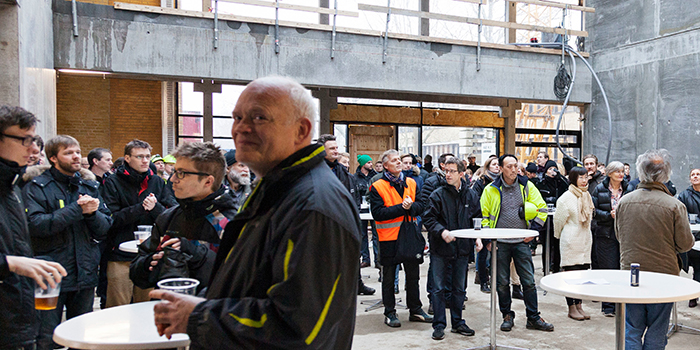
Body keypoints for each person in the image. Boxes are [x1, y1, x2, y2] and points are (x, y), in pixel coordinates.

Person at [149, 76, 361, 349]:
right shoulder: (278, 189)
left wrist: (200, 315)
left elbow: (298, 328)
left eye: (259, 118)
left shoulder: (313, 206)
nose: (241, 128)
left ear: (301, 130)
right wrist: (206, 301)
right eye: (237, 117)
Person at [22, 135, 113, 350]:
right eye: (68, 153)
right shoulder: (37, 186)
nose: (75, 157)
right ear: (53, 158)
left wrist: (92, 215)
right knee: (46, 338)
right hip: (50, 274)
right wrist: (77, 210)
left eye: (78, 152)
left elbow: (105, 227)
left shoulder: (89, 186)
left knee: (81, 338)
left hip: (85, 272)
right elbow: (36, 225)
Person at [0, 106, 67, 350]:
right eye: (24, 139)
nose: (34, 148)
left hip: (17, 318)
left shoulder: (12, 187)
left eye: (35, 139)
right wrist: (10, 264)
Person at [130, 142, 237, 293]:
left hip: (212, 312)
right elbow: (137, 273)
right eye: (174, 172)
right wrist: (150, 263)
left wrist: (196, 255)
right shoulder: (168, 217)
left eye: (181, 173)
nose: (173, 179)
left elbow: (238, 279)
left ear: (208, 181)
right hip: (167, 309)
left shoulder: (228, 222)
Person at [616, 149, 694, 350]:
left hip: (631, 273)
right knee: (658, 329)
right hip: (664, 274)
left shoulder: (624, 202)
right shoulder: (674, 205)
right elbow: (685, 244)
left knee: (632, 328)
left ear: (640, 172)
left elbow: (620, 236)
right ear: (666, 174)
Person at [480, 154, 553, 332]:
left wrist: (533, 230)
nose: (514, 170)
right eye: (510, 166)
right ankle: (507, 315)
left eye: (516, 166)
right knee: (502, 283)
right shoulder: (491, 189)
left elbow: (542, 208)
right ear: (502, 169)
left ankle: (533, 317)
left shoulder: (527, 185)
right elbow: (484, 216)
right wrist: (488, 239)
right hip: (500, 243)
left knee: (528, 281)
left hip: (521, 242)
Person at [102, 139, 177, 307]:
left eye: (147, 156)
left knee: (145, 305)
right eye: (139, 156)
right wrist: (141, 209)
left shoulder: (157, 181)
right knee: (117, 306)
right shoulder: (113, 182)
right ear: (127, 158)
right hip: (120, 254)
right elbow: (110, 218)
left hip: (148, 254)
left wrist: (155, 207)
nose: (145, 161)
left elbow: (171, 213)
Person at [370, 149, 431, 327]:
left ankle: (416, 310)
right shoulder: (377, 186)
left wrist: (411, 206)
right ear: (386, 165)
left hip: (409, 235)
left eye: (400, 160)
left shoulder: (411, 182)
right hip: (388, 238)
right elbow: (378, 214)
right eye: (394, 160)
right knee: (388, 278)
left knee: (413, 276)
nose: (399, 162)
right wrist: (402, 208)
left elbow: (421, 205)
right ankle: (390, 312)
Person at [423, 157, 481, 340]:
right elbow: (428, 219)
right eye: (445, 171)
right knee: (438, 288)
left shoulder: (470, 195)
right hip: (440, 248)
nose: (447, 174)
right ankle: (439, 324)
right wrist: (442, 231)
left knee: (459, 289)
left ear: (461, 174)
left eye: (452, 171)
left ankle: (458, 322)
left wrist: (478, 237)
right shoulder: (437, 194)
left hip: (462, 249)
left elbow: (477, 219)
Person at [318, 134, 372, 296]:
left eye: (336, 148)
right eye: (332, 148)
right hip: (323, 224)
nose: (336, 151)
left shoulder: (344, 174)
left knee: (351, 256)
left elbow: (353, 199)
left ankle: (357, 284)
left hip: (345, 222)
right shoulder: (314, 171)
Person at [553, 167, 593, 321]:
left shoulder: (586, 195)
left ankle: (579, 305)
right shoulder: (566, 197)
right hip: (571, 239)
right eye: (581, 178)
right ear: (573, 178)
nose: (584, 181)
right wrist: (559, 237)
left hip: (584, 239)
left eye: (586, 177)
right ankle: (571, 307)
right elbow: (559, 221)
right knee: (571, 275)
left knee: (583, 274)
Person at [591, 161, 629, 317]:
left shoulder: (629, 189)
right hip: (605, 233)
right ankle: (608, 306)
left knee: (624, 269)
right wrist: (609, 215)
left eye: (622, 171)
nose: (621, 174)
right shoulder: (599, 189)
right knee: (608, 269)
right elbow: (593, 212)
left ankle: (623, 303)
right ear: (609, 173)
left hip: (626, 233)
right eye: (617, 171)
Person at [536, 160, 569, 274]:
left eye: (554, 168)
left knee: (557, 244)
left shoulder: (560, 182)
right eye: (550, 169)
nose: (552, 171)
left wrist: (560, 177)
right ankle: (546, 268)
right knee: (546, 245)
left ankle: (556, 268)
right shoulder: (541, 183)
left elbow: (568, 188)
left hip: (558, 218)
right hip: (546, 218)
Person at [676, 168, 700, 307]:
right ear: (690, 179)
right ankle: (694, 295)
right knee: (697, 267)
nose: (695, 176)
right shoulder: (684, 195)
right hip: (694, 237)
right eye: (693, 175)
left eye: (698, 174)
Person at [355, 154, 379, 268]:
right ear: (363, 164)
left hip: (373, 208)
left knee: (376, 234)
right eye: (368, 162)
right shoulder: (355, 177)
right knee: (363, 234)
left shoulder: (376, 176)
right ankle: (365, 258)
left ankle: (377, 258)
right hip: (361, 209)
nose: (371, 164)